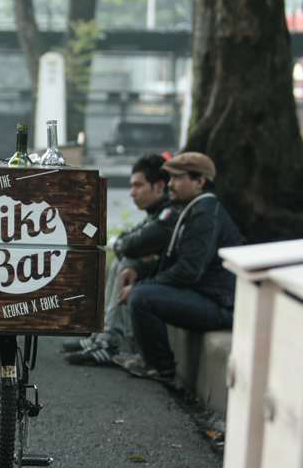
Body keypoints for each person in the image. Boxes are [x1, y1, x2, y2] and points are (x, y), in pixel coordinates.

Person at [116, 152, 243, 382]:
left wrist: (140, 286)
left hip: (220, 305)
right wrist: (140, 270)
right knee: (141, 291)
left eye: (177, 178)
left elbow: (187, 271)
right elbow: (171, 261)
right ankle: (149, 358)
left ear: (199, 181)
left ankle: (161, 366)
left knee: (142, 298)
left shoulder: (205, 214)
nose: (170, 185)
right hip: (205, 296)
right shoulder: (193, 209)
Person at [61, 154, 182, 365]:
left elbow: (130, 245)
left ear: (160, 186)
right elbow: (128, 239)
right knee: (124, 259)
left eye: (138, 185)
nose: (132, 192)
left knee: (128, 260)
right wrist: (125, 246)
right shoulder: (158, 212)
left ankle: (111, 342)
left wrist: (126, 247)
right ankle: (102, 335)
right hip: (166, 276)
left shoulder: (169, 215)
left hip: (180, 282)